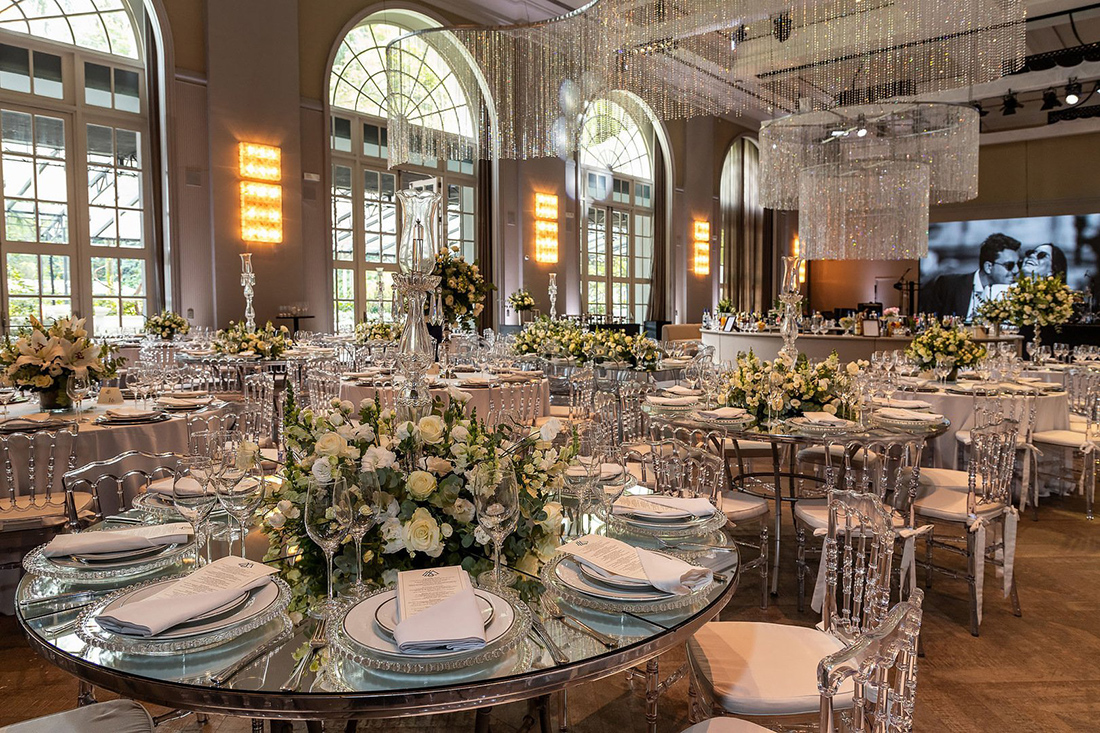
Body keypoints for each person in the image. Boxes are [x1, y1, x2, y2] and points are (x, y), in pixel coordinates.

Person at [921, 233, 1021, 319]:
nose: (1016, 270)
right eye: (1009, 265)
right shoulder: (949, 285)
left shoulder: (1017, 294)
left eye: (1019, 264)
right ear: (988, 267)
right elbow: (928, 323)